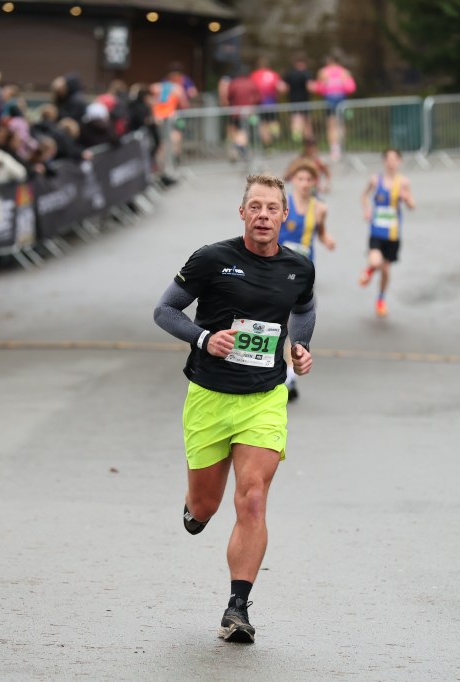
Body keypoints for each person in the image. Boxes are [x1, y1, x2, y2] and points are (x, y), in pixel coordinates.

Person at [152, 173, 316, 644]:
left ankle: (237, 608)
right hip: (209, 395)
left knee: (253, 497)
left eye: (272, 208)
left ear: (285, 215)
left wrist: (301, 347)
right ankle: (196, 507)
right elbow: (165, 311)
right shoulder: (211, 259)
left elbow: (304, 309)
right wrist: (204, 338)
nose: (263, 216)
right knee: (206, 505)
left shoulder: (299, 268)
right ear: (242, 213)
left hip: (264, 398)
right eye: (255, 207)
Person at [279, 161, 333, 400]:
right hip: (278, 270)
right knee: (279, 323)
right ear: (293, 181)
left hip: (302, 275)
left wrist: (327, 239)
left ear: (314, 183)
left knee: (294, 324)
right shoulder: (283, 205)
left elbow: (321, 232)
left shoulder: (320, 208)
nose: (304, 183)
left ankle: (290, 375)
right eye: (299, 179)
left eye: (308, 180)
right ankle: (283, 372)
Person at [358, 148, 416, 317]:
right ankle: (370, 270)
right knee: (375, 261)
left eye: (394, 159)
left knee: (385, 270)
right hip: (376, 231)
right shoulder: (375, 180)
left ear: (399, 162)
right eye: (388, 159)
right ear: (384, 161)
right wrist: (367, 209)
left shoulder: (404, 182)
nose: (391, 163)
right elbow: (364, 196)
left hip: (393, 235)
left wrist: (406, 199)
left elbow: (412, 206)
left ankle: (381, 299)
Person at [314, 55, 356, 161]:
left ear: (329, 61)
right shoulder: (344, 72)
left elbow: (318, 88)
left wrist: (325, 84)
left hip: (330, 100)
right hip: (341, 100)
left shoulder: (323, 72)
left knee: (331, 126)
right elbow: (351, 88)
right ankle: (341, 147)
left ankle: (335, 149)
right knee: (341, 125)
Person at [250, 57, 288, 148]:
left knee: (263, 124)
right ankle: (276, 138)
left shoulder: (254, 75)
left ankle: (267, 144)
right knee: (273, 121)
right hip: (271, 102)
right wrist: (278, 95)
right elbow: (282, 88)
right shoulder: (273, 74)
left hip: (259, 103)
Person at [284, 54, 315, 143]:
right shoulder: (307, 73)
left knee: (295, 119)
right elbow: (310, 87)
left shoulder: (290, 73)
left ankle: (296, 136)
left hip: (293, 100)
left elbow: (283, 87)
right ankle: (308, 140)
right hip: (305, 100)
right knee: (306, 121)